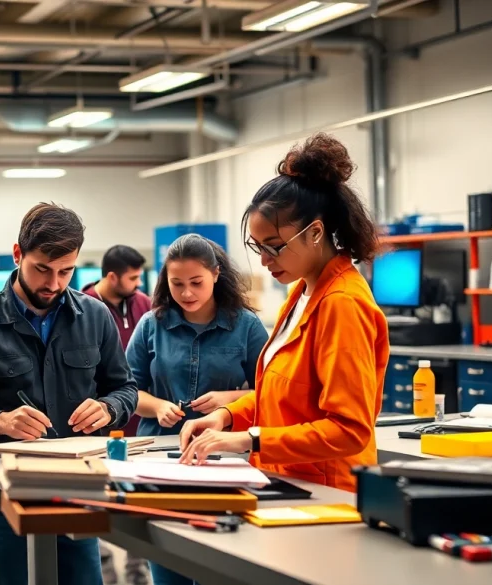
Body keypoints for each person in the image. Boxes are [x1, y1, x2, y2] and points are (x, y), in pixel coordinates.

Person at [0, 202, 138, 585]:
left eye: (66, 271)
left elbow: (125, 388)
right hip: (2, 502)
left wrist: (110, 408)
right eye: (42, 269)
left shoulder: (95, 317)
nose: (54, 284)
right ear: (17, 254)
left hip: (78, 493)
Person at [179, 133, 389, 496]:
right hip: (288, 483)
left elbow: (350, 429)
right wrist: (228, 417)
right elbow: (283, 395)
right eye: (257, 247)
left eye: (274, 247)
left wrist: (249, 440)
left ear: (316, 232)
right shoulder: (303, 292)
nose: (263, 260)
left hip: (327, 492)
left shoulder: (342, 304)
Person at [126, 235, 268, 585]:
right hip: (160, 456)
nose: (187, 293)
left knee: (220, 565)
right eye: (177, 284)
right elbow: (126, 391)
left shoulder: (246, 326)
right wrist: (158, 406)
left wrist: (226, 400)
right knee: (167, 564)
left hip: (224, 460)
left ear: (216, 274)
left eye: (196, 283)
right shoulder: (151, 324)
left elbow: (269, 393)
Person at [80, 245, 152, 585]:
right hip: (96, 427)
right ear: (112, 276)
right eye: (133, 278)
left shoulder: (144, 305)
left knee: (138, 501)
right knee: (96, 500)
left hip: (140, 424)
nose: (138, 284)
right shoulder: (82, 308)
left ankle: (138, 572)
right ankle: (104, 572)